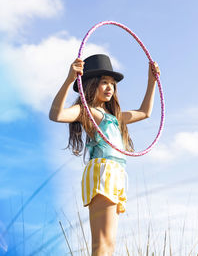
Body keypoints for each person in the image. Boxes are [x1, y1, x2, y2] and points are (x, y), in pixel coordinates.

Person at [49, 54, 160, 256]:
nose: (110, 87)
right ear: (91, 85)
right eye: (104, 82)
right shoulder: (87, 111)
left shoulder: (115, 117)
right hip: (104, 171)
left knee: (109, 244)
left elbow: (145, 112)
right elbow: (56, 114)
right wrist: (69, 80)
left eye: (112, 83)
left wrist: (151, 82)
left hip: (116, 173)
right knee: (102, 245)